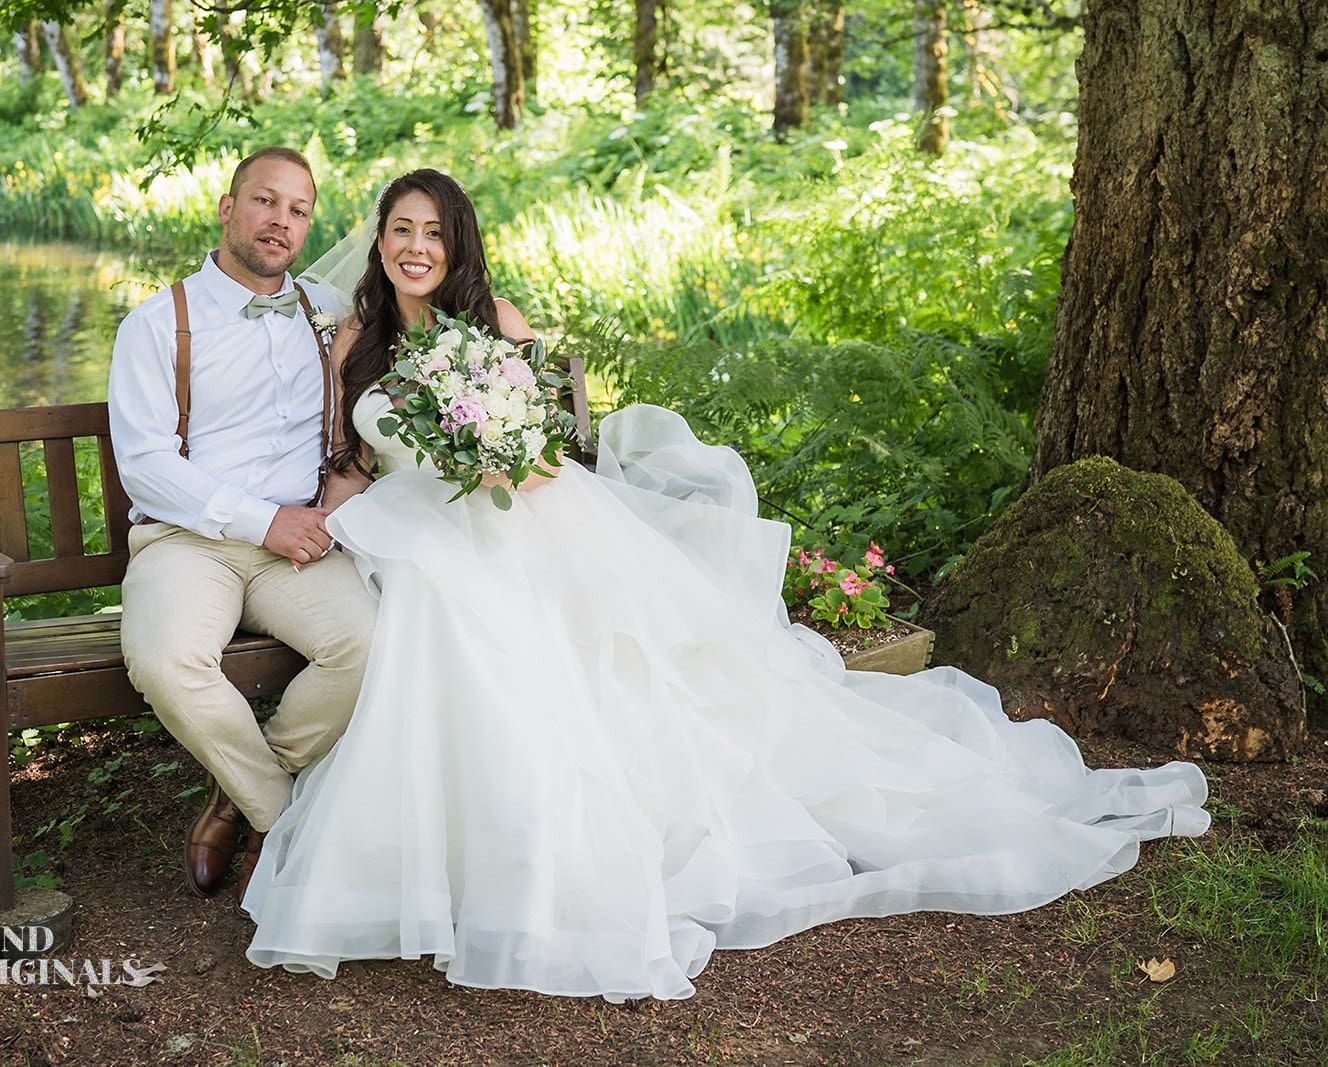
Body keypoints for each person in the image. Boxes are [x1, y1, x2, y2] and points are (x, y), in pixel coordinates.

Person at [240, 169, 1209, 1000]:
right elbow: (346, 462)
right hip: (399, 529)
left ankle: (539, 860)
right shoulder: (355, 335)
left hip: (509, 519)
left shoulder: (495, 324)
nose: (415, 246)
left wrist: (493, 450)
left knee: (499, 626)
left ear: (458, 245)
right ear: (379, 239)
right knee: (431, 605)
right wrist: (334, 504)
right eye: (400, 229)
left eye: (432, 232)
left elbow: (536, 460)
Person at [107, 147, 377, 902]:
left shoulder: (327, 314)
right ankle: (287, 820)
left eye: (297, 211)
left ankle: (235, 792)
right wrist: (264, 522)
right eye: (265, 202)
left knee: (371, 643)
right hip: (188, 539)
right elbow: (147, 467)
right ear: (228, 209)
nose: (279, 222)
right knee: (164, 661)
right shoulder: (158, 324)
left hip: (299, 544)